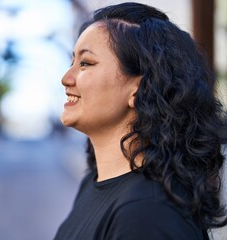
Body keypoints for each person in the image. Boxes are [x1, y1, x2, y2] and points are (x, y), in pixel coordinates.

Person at [54, 2, 227, 240]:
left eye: (85, 63)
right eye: (72, 61)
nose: (66, 78)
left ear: (139, 87)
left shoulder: (147, 214)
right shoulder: (94, 184)